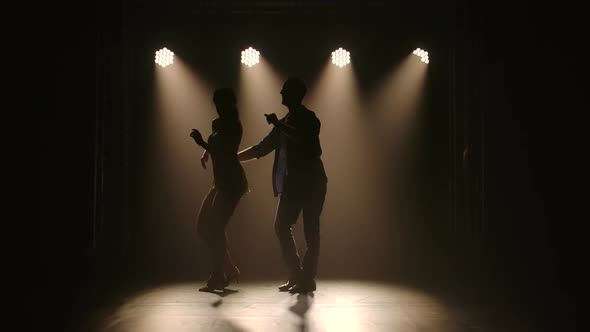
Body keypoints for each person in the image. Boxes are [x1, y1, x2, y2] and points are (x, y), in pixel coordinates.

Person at [238, 77, 327, 293]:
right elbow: (261, 148)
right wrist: (234, 158)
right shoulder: (285, 122)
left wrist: (278, 124)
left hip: (312, 182)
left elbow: (308, 142)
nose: (280, 93)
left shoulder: (309, 118)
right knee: (282, 226)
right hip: (294, 184)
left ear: (295, 94)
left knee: (310, 231)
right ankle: (298, 276)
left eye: (285, 91)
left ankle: (306, 279)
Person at [191, 88, 248, 291]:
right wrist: (206, 151)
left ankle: (219, 276)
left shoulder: (234, 125)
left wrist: (202, 144)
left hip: (232, 183)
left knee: (215, 228)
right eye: (216, 104)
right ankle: (228, 268)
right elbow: (216, 146)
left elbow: (225, 151)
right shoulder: (218, 124)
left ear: (228, 104)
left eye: (220, 103)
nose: (217, 107)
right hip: (220, 182)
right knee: (203, 228)